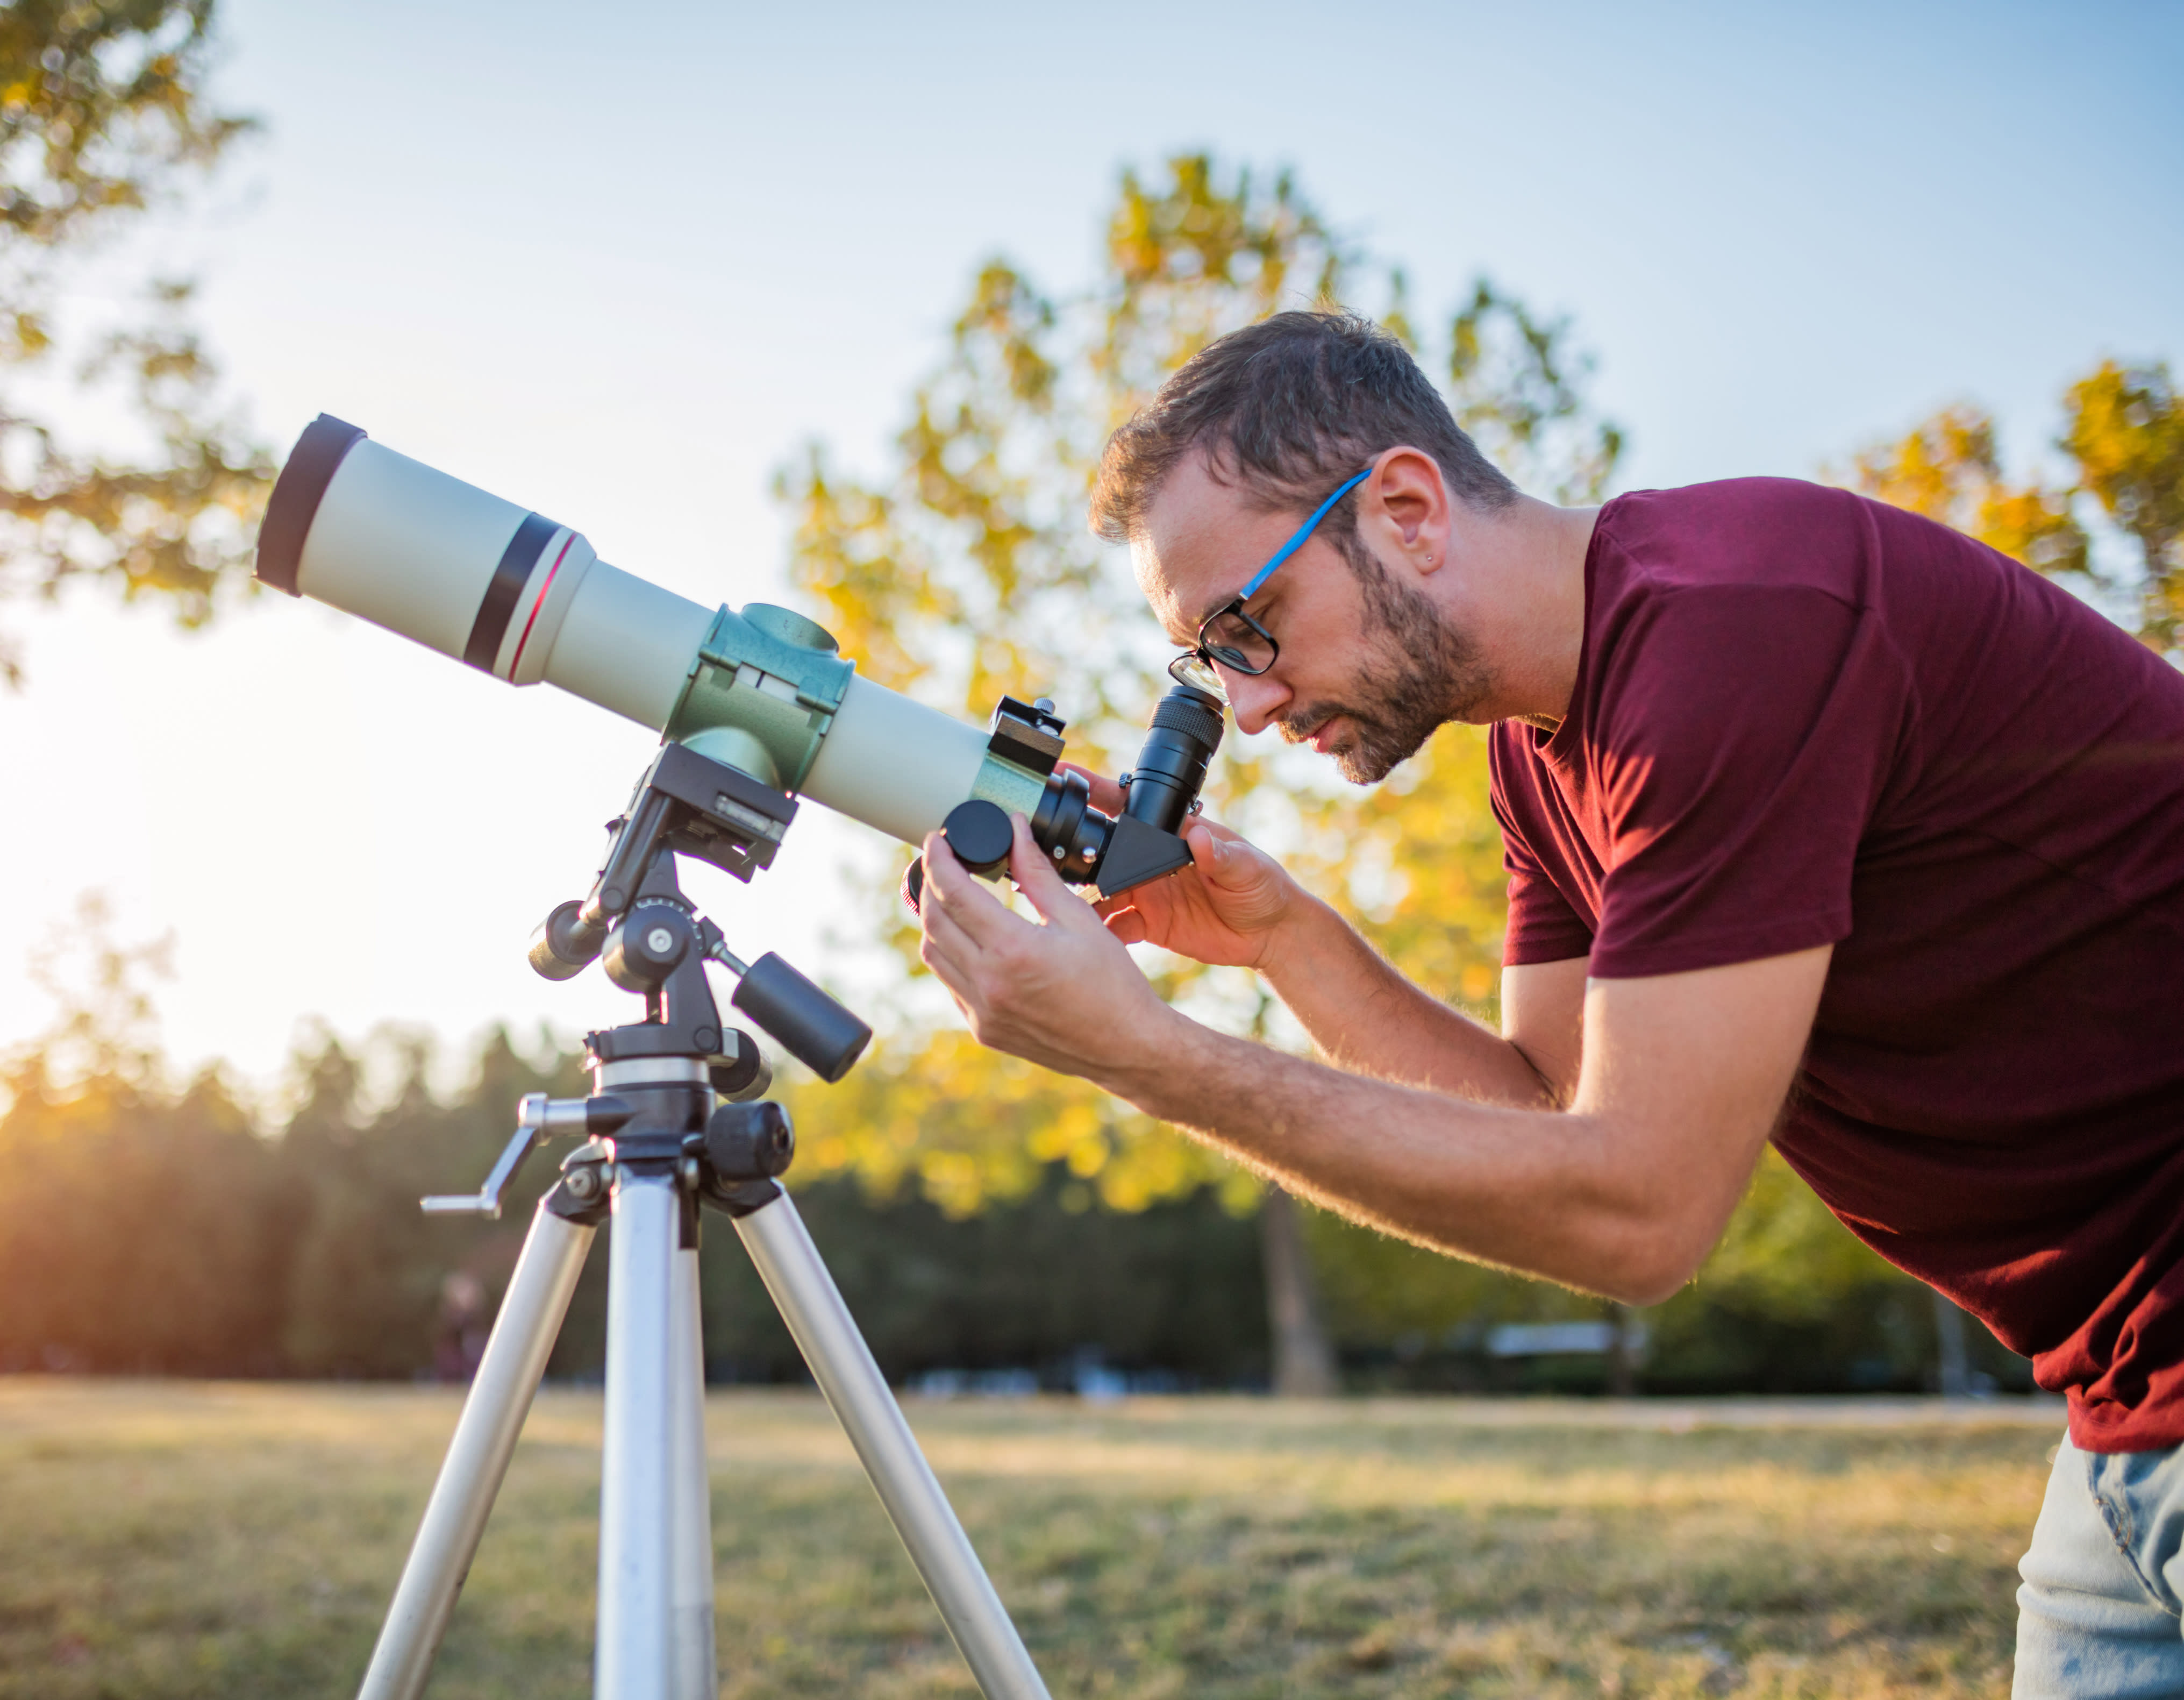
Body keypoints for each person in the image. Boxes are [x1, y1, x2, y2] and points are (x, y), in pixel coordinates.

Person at [909, 310, 2184, 1696]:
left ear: (1405, 509)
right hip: (2126, 1393)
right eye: (1210, 663)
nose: (1252, 706)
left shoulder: (1734, 631)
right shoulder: (1536, 753)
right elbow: (1542, 1110)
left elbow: (1637, 1211)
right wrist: (1284, 941)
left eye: (1249, 626)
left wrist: (1148, 1058)